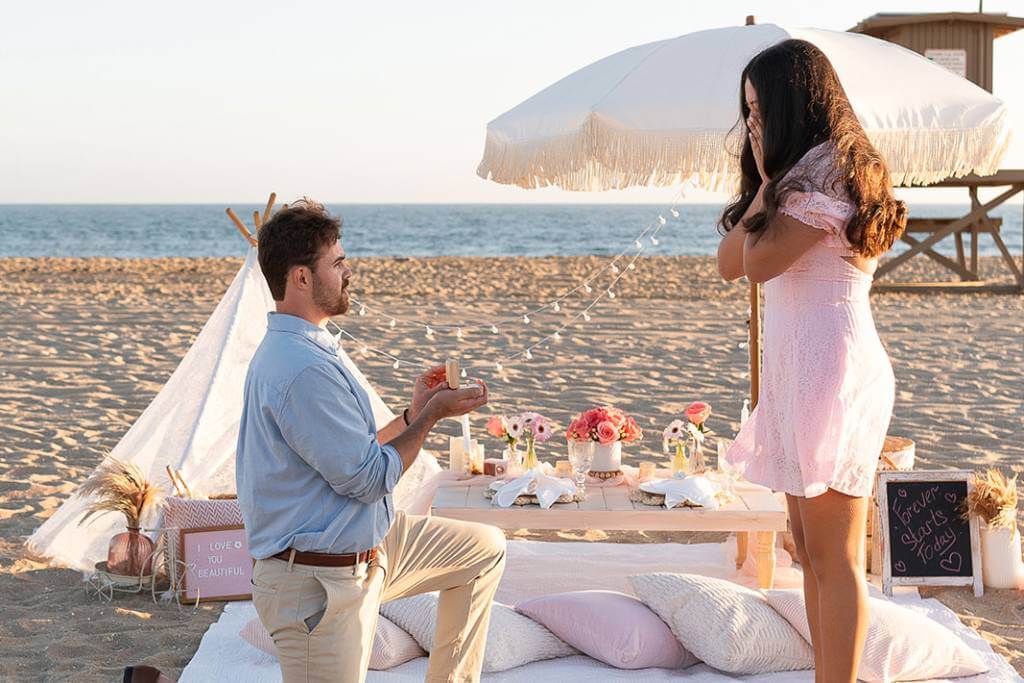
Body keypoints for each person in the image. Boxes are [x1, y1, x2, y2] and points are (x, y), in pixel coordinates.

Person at [236, 199, 506, 683]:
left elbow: (353, 448)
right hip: (318, 583)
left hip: (369, 546)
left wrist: (413, 412)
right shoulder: (302, 369)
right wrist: (431, 419)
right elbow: (368, 477)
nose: (348, 272)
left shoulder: (309, 347)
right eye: (337, 263)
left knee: (483, 549)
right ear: (301, 278)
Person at [717, 40, 906, 683]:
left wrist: (768, 186)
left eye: (761, 108)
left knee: (835, 557)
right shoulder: (795, 177)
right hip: (801, 370)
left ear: (795, 101)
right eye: (746, 111)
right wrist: (768, 185)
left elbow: (759, 262)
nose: (753, 125)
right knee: (807, 552)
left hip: (834, 369)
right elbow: (727, 266)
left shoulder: (829, 171)